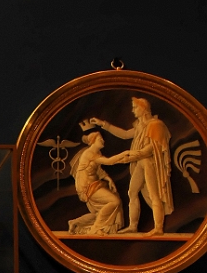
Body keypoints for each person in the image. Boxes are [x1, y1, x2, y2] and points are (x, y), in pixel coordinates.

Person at [90, 97, 173, 235]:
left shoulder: (155, 125)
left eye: (135, 107)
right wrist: (103, 124)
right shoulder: (140, 126)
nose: (133, 110)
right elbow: (125, 134)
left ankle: (158, 228)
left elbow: (150, 150)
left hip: (150, 163)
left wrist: (130, 155)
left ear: (144, 109)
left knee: (154, 195)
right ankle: (133, 226)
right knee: (132, 192)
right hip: (141, 162)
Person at [68, 132, 124, 235]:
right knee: (114, 201)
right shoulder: (89, 153)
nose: (103, 141)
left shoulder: (96, 153)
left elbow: (97, 169)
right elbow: (109, 161)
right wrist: (125, 154)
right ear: (92, 141)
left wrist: (108, 179)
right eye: (100, 139)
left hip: (94, 184)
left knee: (101, 212)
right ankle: (96, 228)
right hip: (86, 186)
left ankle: (74, 223)